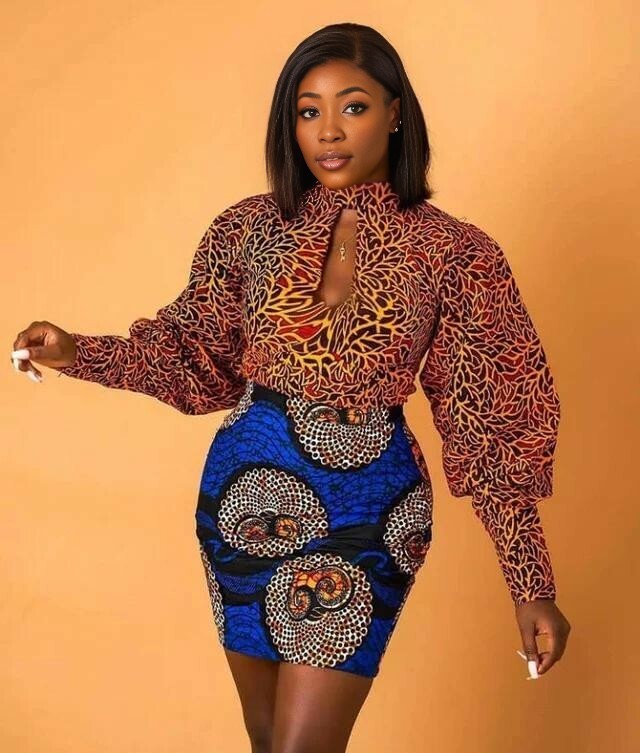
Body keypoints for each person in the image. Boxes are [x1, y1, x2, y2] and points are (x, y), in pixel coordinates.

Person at [11, 22, 570, 753]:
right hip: (242, 506)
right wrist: (77, 351)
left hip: (370, 511)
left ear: (396, 113)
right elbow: (192, 356)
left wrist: (531, 585)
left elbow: (494, 415)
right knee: (270, 739)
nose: (328, 131)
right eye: (309, 111)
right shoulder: (247, 228)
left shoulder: (455, 252)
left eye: (353, 106)